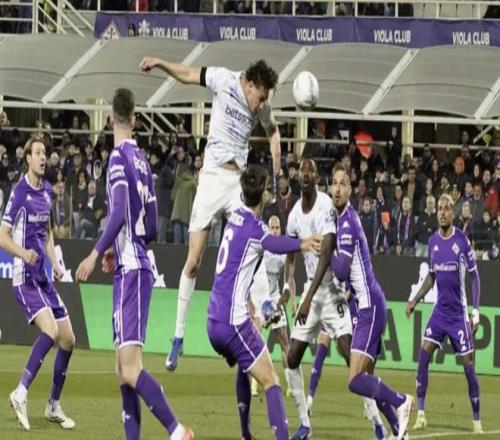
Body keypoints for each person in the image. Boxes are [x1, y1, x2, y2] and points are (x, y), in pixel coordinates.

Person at [140, 56, 281, 371]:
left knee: (253, 239)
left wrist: (276, 160)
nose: (261, 105)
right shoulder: (223, 78)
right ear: (250, 85)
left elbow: (273, 132)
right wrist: (160, 63)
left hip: (237, 182)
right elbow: (188, 73)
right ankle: (178, 337)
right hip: (212, 178)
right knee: (193, 262)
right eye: (260, 98)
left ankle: (265, 302)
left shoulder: (262, 105)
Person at [75, 89, 194, 440]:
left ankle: (177, 430)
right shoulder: (142, 160)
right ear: (136, 119)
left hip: (131, 270)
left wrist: (96, 252)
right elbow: (153, 224)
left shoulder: (116, 159)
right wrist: (123, 245)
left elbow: (117, 212)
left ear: (111, 118)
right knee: (122, 370)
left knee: (130, 369)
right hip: (132, 263)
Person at [296, 163, 413, 440]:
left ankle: (401, 401)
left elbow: (340, 270)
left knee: (355, 379)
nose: (337, 188)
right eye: (334, 183)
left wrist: (325, 249)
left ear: (350, 189)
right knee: (367, 379)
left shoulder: (347, 222)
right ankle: (399, 432)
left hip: (369, 306)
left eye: (343, 183)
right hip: (362, 306)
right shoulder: (336, 220)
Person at [207, 164, 321, 440]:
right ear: (262, 194)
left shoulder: (235, 217)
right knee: (271, 382)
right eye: (269, 187)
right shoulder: (254, 229)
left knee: (246, 365)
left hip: (213, 320)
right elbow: (274, 244)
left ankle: (246, 433)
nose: (272, 190)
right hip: (233, 323)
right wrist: (303, 243)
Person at [286, 159, 385, 440]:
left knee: (350, 356)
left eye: (311, 170)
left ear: (317, 178)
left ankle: (377, 422)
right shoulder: (293, 215)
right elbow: (290, 254)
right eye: (303, 170)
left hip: (330, 291)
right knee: (292, 357)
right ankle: (304, 423)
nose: (306, 174)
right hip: (310, 289)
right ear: (298, 176)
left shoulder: (327, 206)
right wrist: (288, 286)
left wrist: (308, 298)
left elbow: (328, 252)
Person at [0, 138, 75, 431]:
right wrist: (22, 253)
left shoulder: (46, 192)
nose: (44, 157)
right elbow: (2, 235)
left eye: (45, 153)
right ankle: (20, 393)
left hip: (42, 277)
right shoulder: (19, 193)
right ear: (28, 159)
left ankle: (53, 406)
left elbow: (47, 232)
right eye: (39, 153)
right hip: (24, 277)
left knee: (68, 339)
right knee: (51, 331)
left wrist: (54, 261)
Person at [406, 194, 483, 434]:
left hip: (459, 315)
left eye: (447, 208)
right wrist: (414, 300)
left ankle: (477, 422)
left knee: (469, 366)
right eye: (440, 208)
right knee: (423, 353)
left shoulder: (462, 241)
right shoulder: (432, 242)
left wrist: (475, 312)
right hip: (439, 312)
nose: (442, 212)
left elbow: (475, 277)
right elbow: (431, 276)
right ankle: (421, 415)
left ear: (453, 212)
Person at [248, 215, 291, 398]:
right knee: (257, 341)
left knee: (284, 339)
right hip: (259, 299)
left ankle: (291, 383)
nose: (274, 231)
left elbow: (289, 274)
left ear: (280, 229)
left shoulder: (282, 251)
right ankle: (254, 384)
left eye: (277, 228)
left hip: (274, 298)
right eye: (272, 227)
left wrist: (291, 298)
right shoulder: (262, 248)